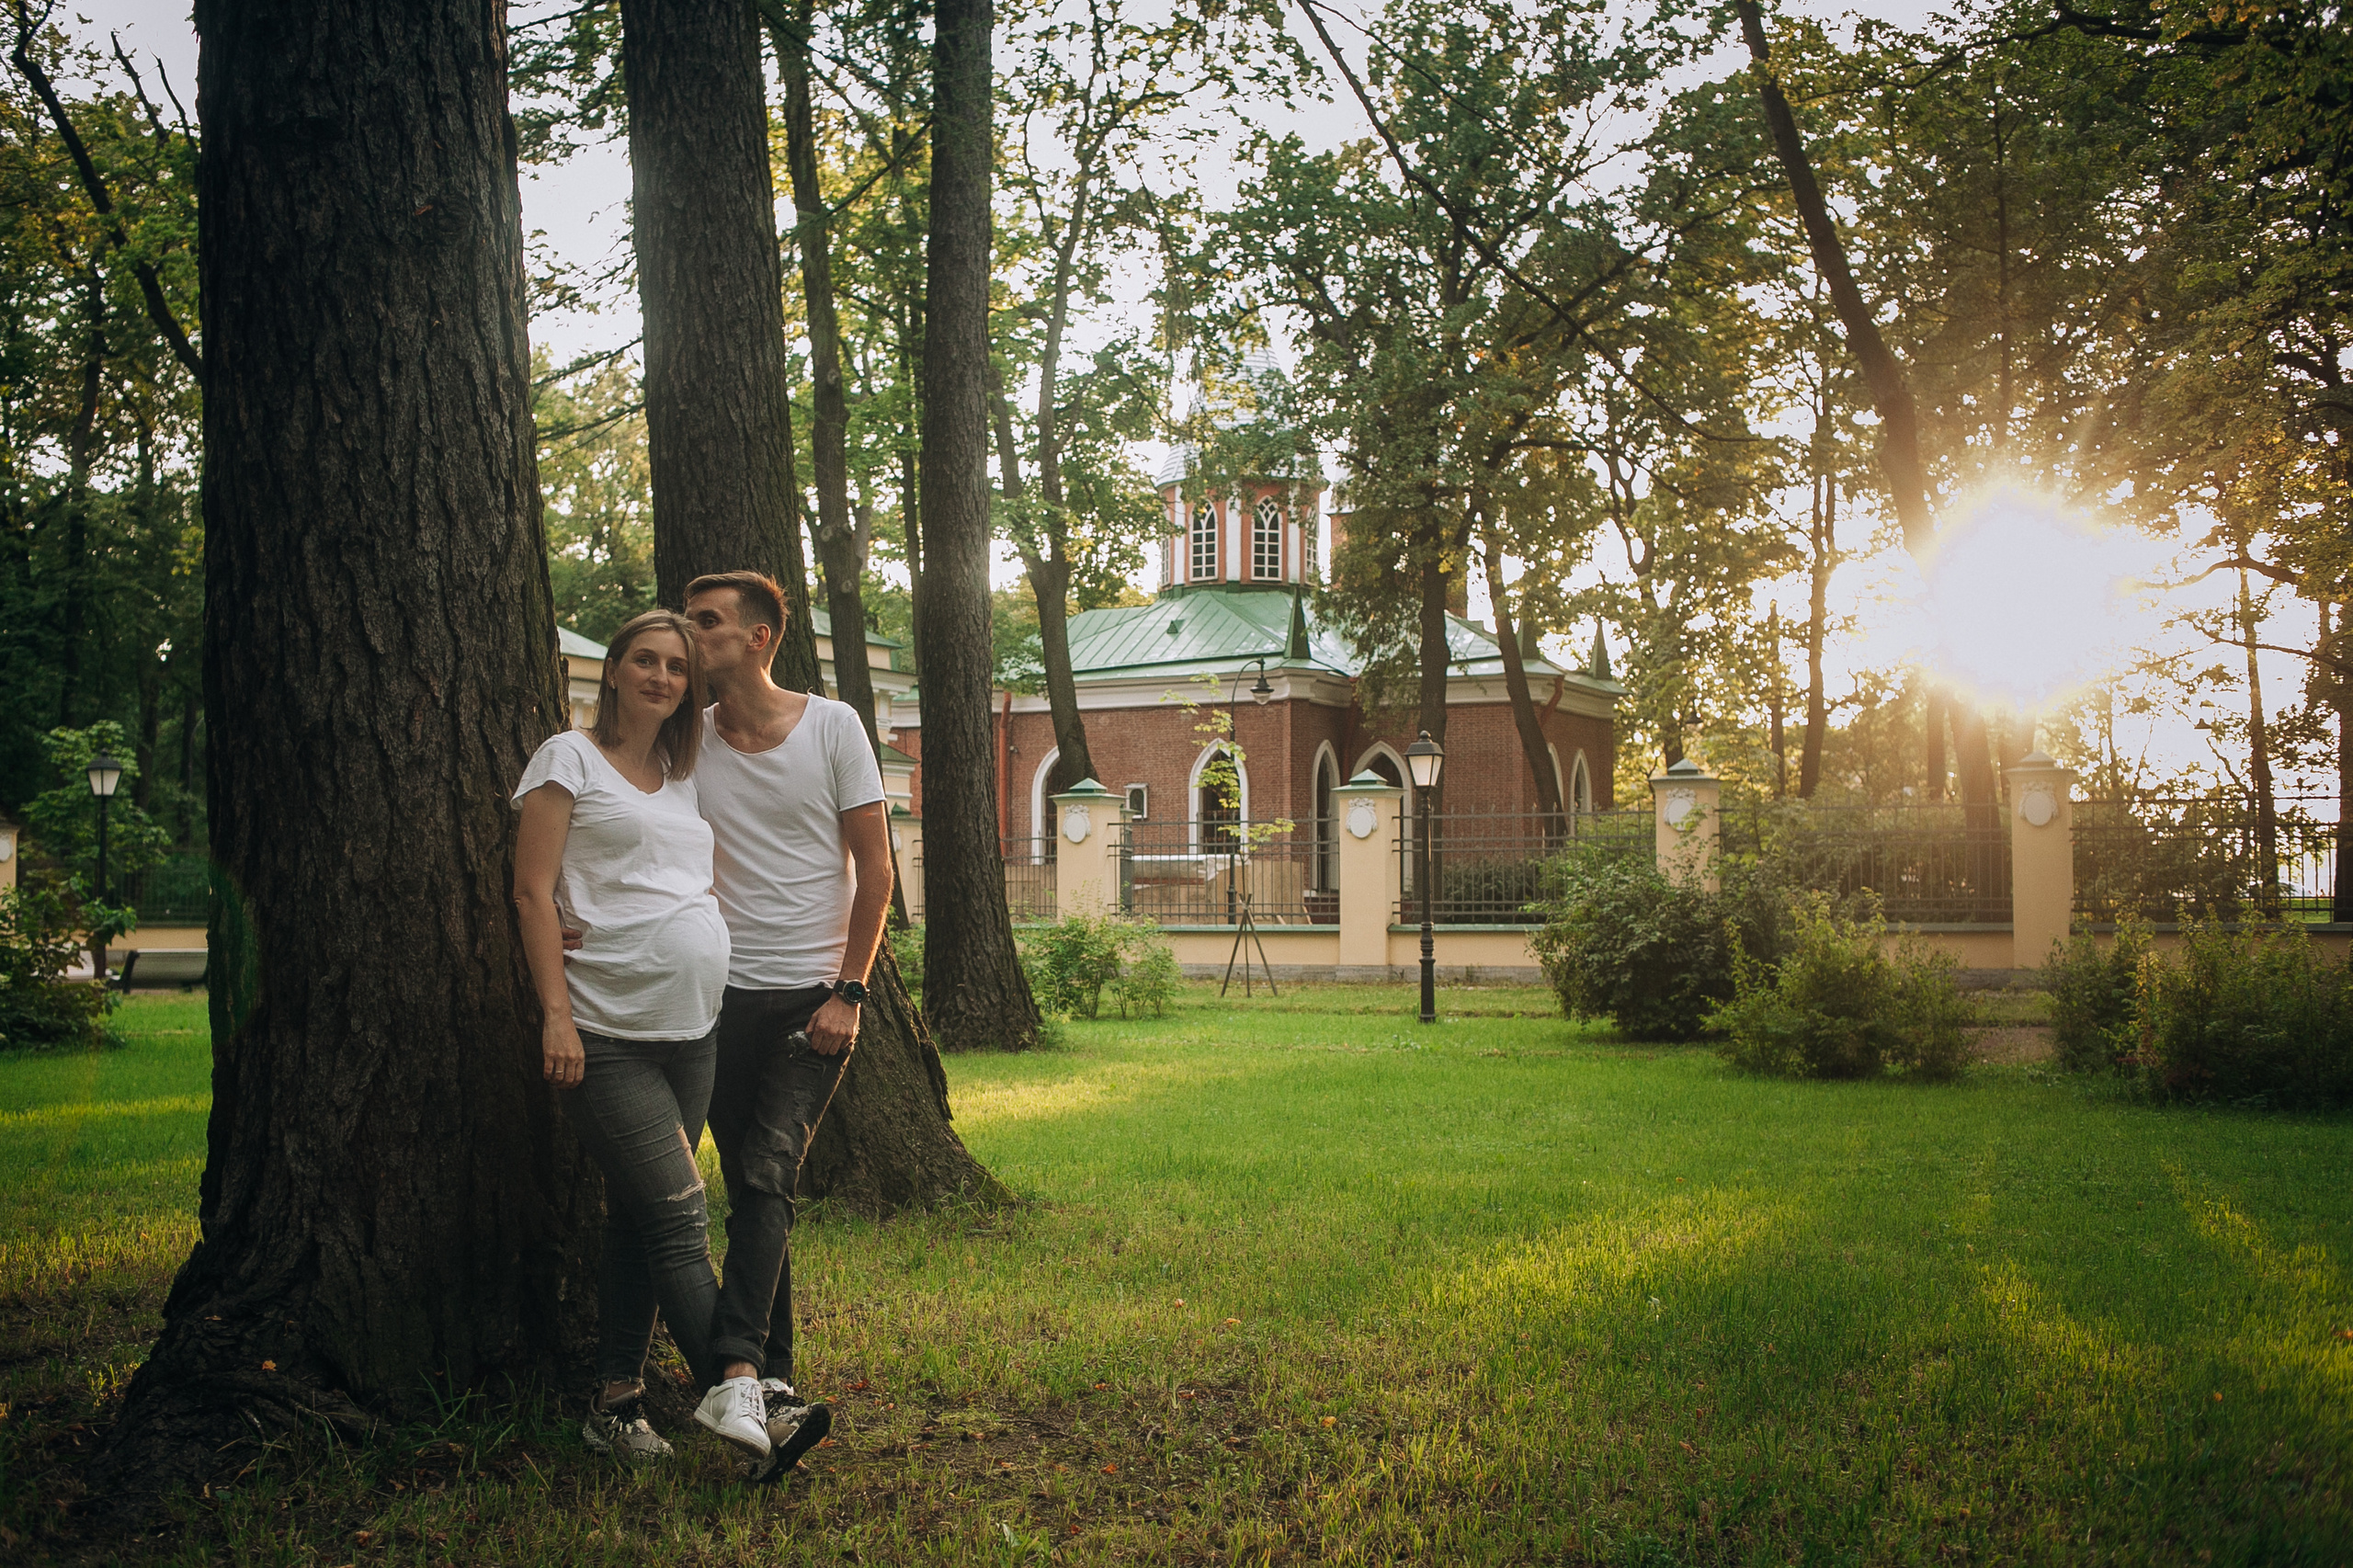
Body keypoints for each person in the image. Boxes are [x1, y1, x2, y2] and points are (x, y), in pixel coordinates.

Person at [511, 609, 774, 1470]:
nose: (662, 676)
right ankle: (742, 1391)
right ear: (615, 671)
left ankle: (616, 1402)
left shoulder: (682, 771)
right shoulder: (568, 758)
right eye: (646, 660)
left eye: (676, 667)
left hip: (693, 1028)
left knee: (635, 1215)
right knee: (678, 1211)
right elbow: (531, 891)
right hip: (605, 1031)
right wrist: (555, 1014)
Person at [683, 568, 892, 1483]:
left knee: (769, 1168)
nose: (691, 633)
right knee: (752, 1186)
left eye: (707, 622)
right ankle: (775, 1389)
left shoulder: (834, 726)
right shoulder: (686, 738)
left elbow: (877, 868)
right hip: (715, 995)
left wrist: (850, 989)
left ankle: (730, 1367)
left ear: (759, 637)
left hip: (811, 998)